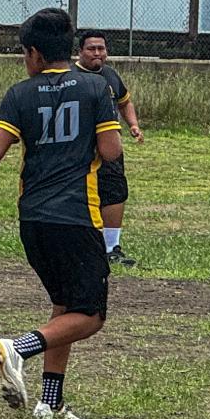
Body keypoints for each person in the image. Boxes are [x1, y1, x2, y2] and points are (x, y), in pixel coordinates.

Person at [0, 7, 123, 419]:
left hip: (32, 218)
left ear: (32, 53)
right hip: (78, 216)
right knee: (90, 315)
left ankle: (51, 403)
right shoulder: (95, 88)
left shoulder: (19, 93)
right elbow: (111, 151)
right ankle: (18, 348)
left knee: (63, 306)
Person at [75, 29, 144, 267]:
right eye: (91, 48)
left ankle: (111, 247)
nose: (97, 53)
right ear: (80, 51)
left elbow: (125, 102)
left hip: (110, 145)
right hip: (81, 149)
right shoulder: (70, 76)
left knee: (115, 191)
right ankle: (83, 245)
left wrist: (133, 125)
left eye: (101, 48)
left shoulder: (111, 75)